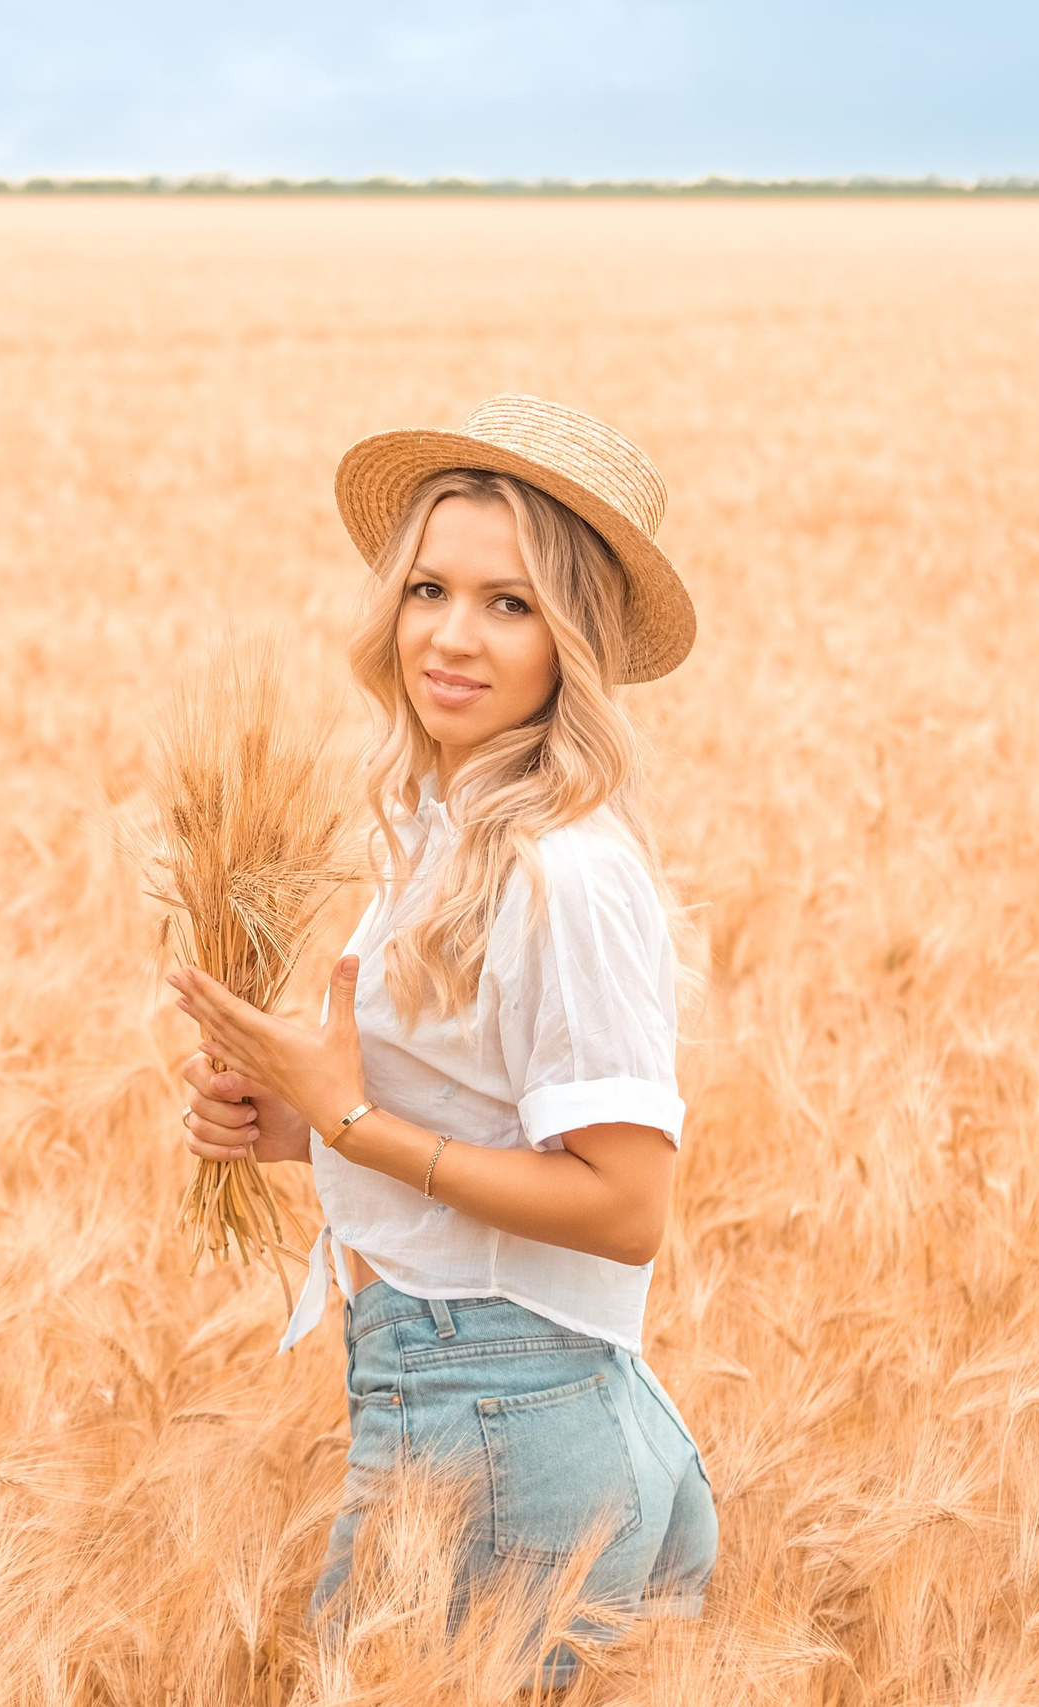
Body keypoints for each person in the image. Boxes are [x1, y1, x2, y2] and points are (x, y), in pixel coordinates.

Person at [166, 396, 717, 1691]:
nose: (452, 636)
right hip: (532, 1410)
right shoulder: (446, 835)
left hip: (495, 1429)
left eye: (510, 604)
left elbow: (627, 1203)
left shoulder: (557, 870)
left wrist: (356, 1124)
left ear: (572, 639)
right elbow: (479, 1129)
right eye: (429, 588)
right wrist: (304, 1128)